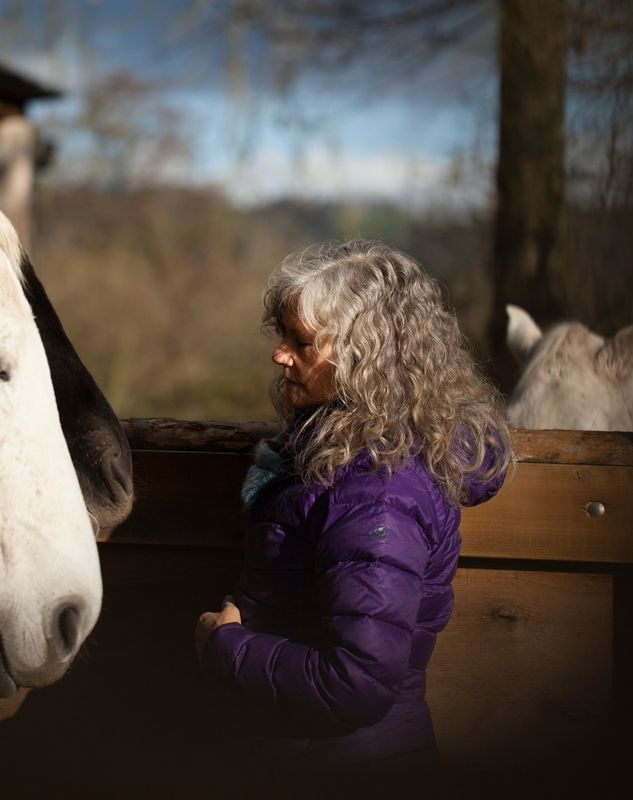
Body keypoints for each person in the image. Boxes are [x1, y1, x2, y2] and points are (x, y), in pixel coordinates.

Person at [194, 240, 512, 776]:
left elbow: (356, 683)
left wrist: (224, 646)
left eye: (301, 342)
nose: (279, 354)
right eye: (282, 336)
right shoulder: (338, 456)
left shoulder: (375, 491)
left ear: (365, 358)